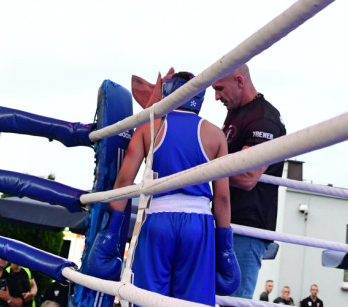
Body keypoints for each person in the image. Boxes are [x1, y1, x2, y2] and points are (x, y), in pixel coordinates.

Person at [81, 71, 239, 303]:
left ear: (168, 93)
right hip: (198, 225)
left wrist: (110, 233)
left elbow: (124, 182)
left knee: (148, 300)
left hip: (157, 220)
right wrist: (225, 247)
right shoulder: (215, 135)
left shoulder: (149, 128)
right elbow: (222, 198)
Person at [212, 64, 287, 299]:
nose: (216, 97)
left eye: (220, 88)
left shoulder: (265, 119)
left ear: (240, 81)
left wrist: (199, 171)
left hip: (246, 228)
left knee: (233, 301)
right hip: (226, 222)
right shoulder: (236, 113)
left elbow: (247, 177)